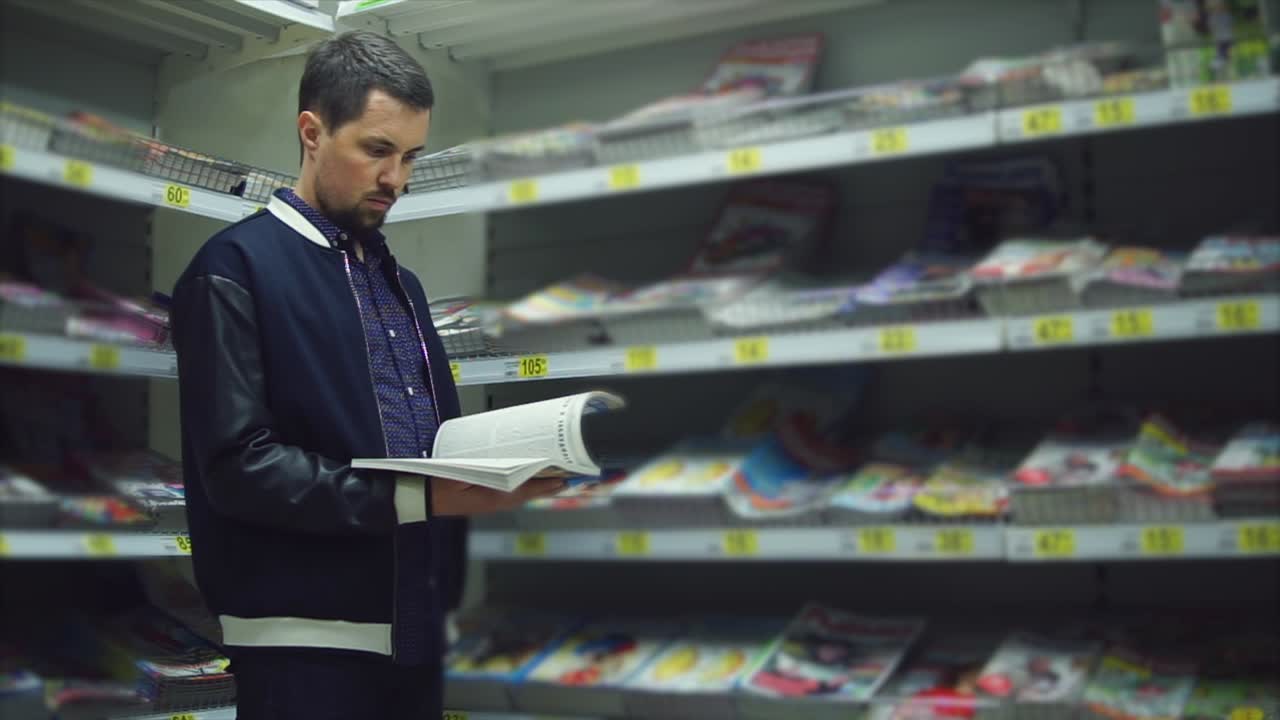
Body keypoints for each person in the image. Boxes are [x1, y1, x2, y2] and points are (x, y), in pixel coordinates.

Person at [171, 30, 563, 718]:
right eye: (377, 151)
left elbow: (427, 443)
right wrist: (423, 498)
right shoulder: (231, 269)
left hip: (413, 636)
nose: (397, 179)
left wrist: (491, 473)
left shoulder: (400, 284)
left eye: (410, 155)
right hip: (303, 649)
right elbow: (239, 467)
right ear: (312, 132)